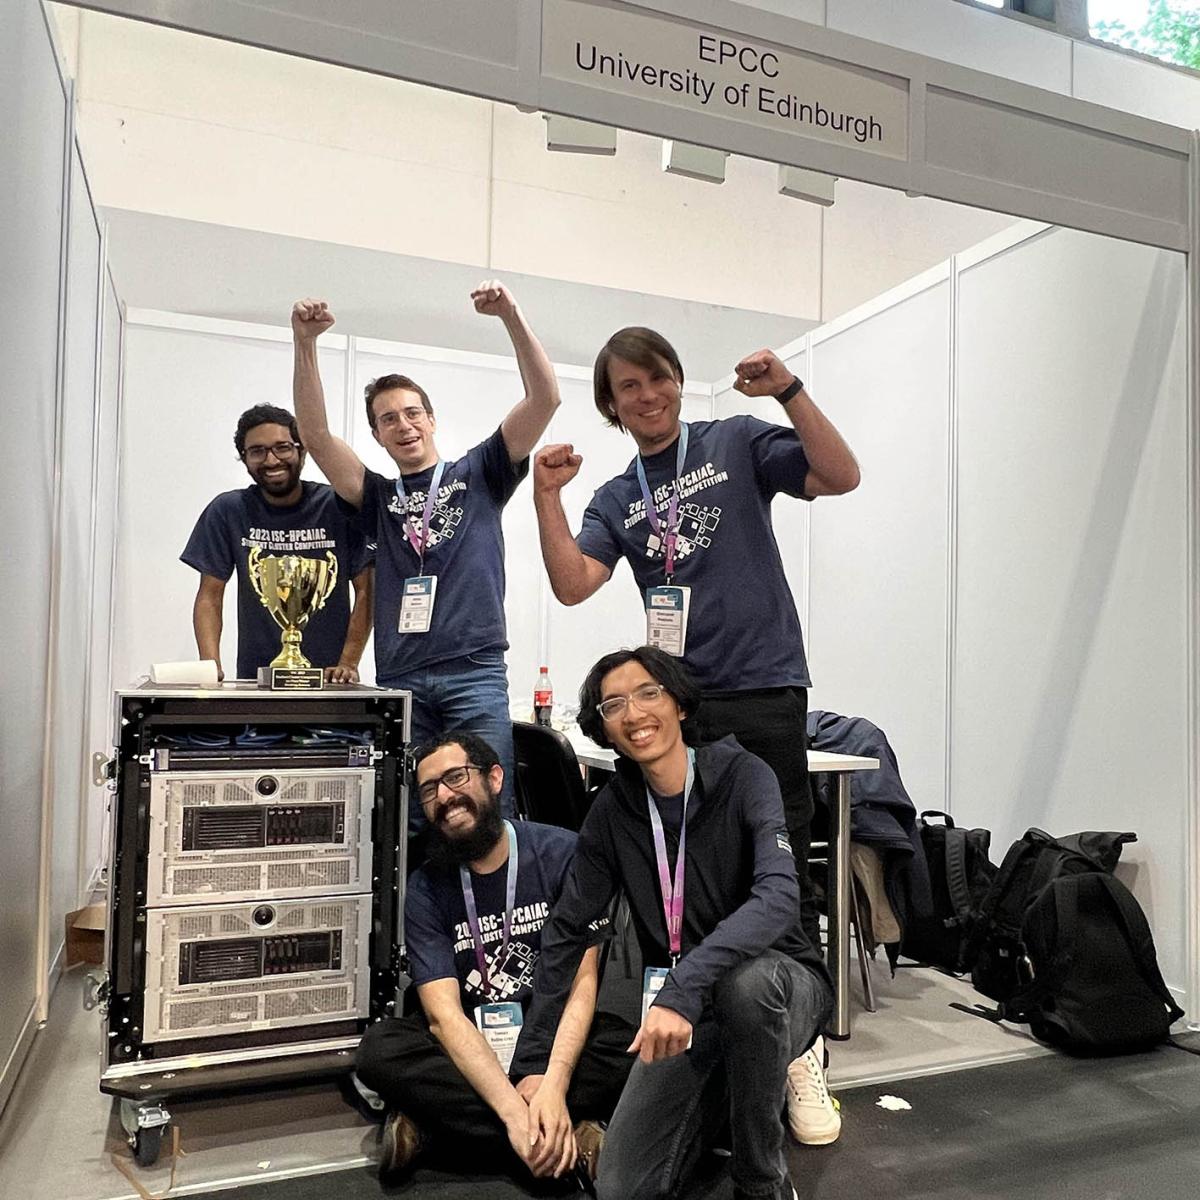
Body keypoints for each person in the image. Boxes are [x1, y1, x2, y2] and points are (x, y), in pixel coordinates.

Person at [531, 329, 860, 944]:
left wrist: (788, 391)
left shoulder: (734, 440)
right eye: (629, 385)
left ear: (678, 381)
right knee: (692, 859)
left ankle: (796, 1009)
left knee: (776, 852)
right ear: (611, 405)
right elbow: (573, 584)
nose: (648, 394)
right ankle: (702, 999)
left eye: (658, 377)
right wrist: (545, 495)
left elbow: (841, 476)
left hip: (762, 686)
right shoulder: (616, 496)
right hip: (677, 704)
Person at [511, 646, 839, 1200]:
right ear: (604, 728)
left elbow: (780, 897)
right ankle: (738, 1088)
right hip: (687, 1013)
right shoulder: (612, 813)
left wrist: (684, 987)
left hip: (780, 983)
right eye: (614, 704)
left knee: (747, 987)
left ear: (680, 705)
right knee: (620, 1186)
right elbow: (568, 933)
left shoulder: (744, 775)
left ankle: (761, 1182)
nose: (635, 714)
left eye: (648, 693)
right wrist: (536, 1064)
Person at [290, 283, 559, 830]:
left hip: (475, 672)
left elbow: (545, 399)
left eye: (413, 413)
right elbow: (314, 435)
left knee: (487, 815)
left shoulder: (479, 473)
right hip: (403, 678)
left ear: (431, 420)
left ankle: (491, 917)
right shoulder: (379, 498)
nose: (404, 425)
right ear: (378, 435)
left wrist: (510, 315)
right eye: (389, 419)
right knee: (416, 821)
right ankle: (429, 918)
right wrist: (305, 343)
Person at [356, 732, 634, 1188]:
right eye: (430, 790)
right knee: (380, 1051)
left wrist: (551, 1083)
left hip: (550, 1030)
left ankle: (434, 1133)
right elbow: (444, 1017)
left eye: (455, 777)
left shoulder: (563, 854)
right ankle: (562, 1134)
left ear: (495, 778)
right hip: (472, 1042)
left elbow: (583, 984)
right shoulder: (427, 887)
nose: (444, 797)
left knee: (631, 1050)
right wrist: (515, 1114)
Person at [182, 403, 373, 682]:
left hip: (330, 683)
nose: (271, 460)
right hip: (255, 681)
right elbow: (210, 596)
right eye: (257, 451)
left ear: (302, 450)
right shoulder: (228, 510)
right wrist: (210, 665)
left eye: (282, 447)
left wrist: (348, 663)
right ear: (244, 458)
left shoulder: (338, 507)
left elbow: (367, 591)